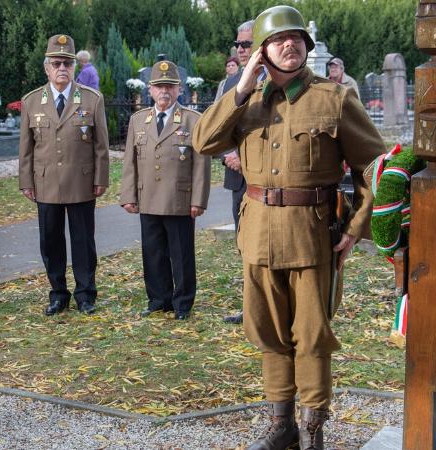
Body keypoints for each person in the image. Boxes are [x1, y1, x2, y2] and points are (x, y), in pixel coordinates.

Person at [192, 6, 384, 450]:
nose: (290, 44)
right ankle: (282, 427)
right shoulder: (247, 102)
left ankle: (314, 430)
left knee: (312, 337)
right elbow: (203, 141)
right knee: (268, 332)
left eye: (296, 37)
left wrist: (355, 226)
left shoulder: (333, 99)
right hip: (258, 233)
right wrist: (241, 87)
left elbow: (374, 168)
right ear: (260, 52)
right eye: (279, 40)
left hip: (313, 234)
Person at [19, 34, 109, 316]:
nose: (62, 68)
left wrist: (101, 179)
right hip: (46, 184)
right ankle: (58, 294)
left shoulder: (92, 100)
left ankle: (85, 294)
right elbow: (26, 148)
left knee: (83, 242)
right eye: (56, 63)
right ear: (46, 68)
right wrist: (26, 182)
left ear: (74, 68)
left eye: (67, 64)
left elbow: (101, 146)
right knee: (51, 242)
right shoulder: (32, 101)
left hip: (81, 182)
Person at [120, 60, 211, 320]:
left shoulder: (193, 120)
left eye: (169, 86)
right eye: (159, 86)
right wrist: (128, 195)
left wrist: (199, 200)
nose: (164, 92)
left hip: (179, 198)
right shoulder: (139, 120)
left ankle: (182, 302)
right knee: (153, 251)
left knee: (181, 253)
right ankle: (158, 299)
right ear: (150, 89)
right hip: (147, 196)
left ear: (179, 89)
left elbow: (201, 164)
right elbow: (130, 161)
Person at [214, 19, 266, 325]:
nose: (240, 50)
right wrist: (227, 153)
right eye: (238, 44)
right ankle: (249, 307)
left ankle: (265, 308)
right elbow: (218, 126)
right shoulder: (229, 84)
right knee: (244, 243)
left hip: (268, 178)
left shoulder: (275, 78)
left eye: (246, 44)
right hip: (239, 178)